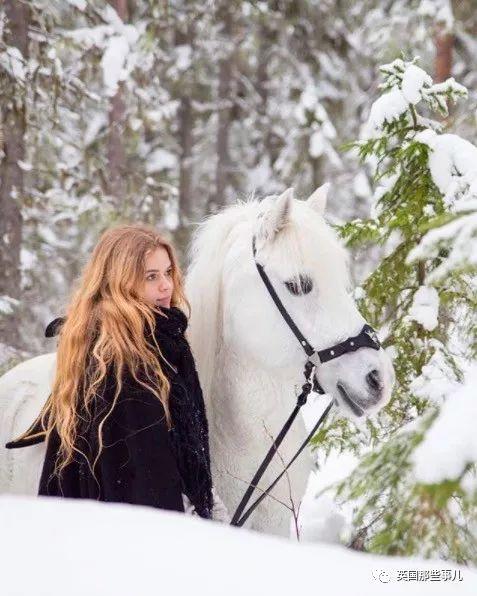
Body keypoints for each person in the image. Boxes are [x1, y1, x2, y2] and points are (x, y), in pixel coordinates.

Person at [6, 224, 228, 522]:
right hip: (133, 534)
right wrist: (187, 523)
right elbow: (142, 469)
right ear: (119, 283)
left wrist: (206, 502)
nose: (166, 286)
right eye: (151, 276)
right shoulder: (120, 361)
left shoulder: (164, 339)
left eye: (167, 272)